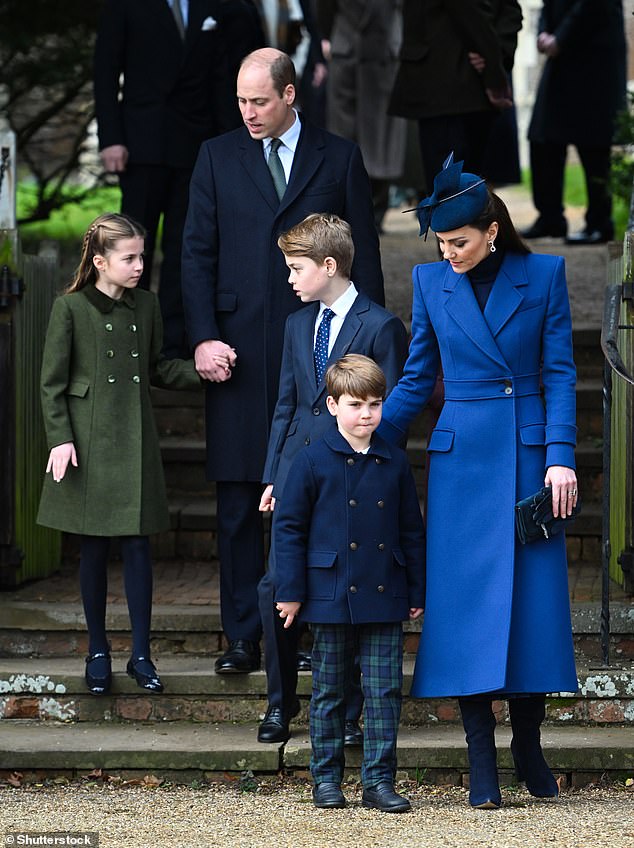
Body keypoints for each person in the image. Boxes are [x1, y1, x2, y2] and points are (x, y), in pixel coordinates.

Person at [379, 155, 579, 809]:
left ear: (493, 230)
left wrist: (561, 455)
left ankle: (527, 745)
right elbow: (415, 378)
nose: (449, 252)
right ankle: (479, 759)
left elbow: (558, 373)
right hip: (462, 466)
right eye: (441, 242)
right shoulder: (430, 282)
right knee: (465, 612)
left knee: (530, 611)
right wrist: (368, 439)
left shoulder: (544, 274)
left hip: (528, 461)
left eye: (459, 241)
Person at [181, 48, 384, 676]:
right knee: (240, 499)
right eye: (240, 101)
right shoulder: (216, 155)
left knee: (320, 497)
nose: (247, 113)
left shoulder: (339, 155)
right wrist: (201, 338)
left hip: (318, 357)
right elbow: (194, 252)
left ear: (291, 95)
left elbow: (364, 258)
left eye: (259, 101)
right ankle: (244, 634)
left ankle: (310, 638)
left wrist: (364, 349)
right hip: (237, 355)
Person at [257, 213, 408, 744]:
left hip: (355, 479)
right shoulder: (298, 324)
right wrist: (274, 475)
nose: (290, 279)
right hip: (299, 473)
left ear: (329, 265)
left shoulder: (381, 324)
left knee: (347, 590)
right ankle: (281, 705)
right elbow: (287, 405)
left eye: (296, 268)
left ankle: (347, 716)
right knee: (276, 585)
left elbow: (388, 414)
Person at [37, 213, 202, 696]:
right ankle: (97, 650)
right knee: (92, 550)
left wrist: (205, 371)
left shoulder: (146, 306)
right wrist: (60, 439)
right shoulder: (69, 309)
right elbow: (51, 385)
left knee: (137, 550)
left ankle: (142, 654)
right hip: (87, 445)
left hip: (134, 440)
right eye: (128, 258)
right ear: (99, 261)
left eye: (141, 256)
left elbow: (158, 368)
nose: (138, 266)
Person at [274, 354, 425, 811]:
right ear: (334, 404)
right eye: (357, 405)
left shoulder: (394, 461)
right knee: (329, 692)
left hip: (383, 591)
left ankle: (378, 781)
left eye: (375, 405)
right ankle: (326, 779)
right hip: (329, 593)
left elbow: (411, 530)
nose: (367, 415)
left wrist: (416, 591)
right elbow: (289, 529)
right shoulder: (311, 460)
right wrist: (290, 592)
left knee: (383, 693)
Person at [94, 0, 264, 358]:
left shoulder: (214, 5)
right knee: (131, 246)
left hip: (194, 145)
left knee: (185, 247)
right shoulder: (125, 6)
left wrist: (230, 145)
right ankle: (124, 340)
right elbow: (106, 69)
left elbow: (222, 75)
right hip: (140, 145)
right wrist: (111, 137)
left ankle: (173, 344)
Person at [388, 0, 521, 192]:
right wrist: (495, 60)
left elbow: (498, 10)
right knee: (458, 187)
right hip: (451, 79)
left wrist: (494, 64)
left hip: (450, 82)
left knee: (454, 191)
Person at [522, 0, 627, 244]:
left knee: (594, 144)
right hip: (561, 57)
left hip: (594, 55)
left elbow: (593, 6)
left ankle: (599, 223)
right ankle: (550, 217)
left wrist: (560, 38)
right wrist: (544, 33)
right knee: (543, 136)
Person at [316, 0, 407, 230]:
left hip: (382, 53)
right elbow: (323, 10)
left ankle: (375, 208)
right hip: (351, 53)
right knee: (345, 138)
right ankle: (350, 208)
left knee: (382, 140)